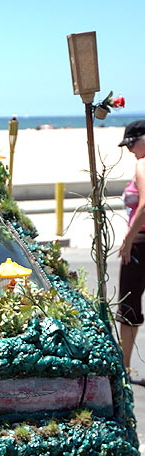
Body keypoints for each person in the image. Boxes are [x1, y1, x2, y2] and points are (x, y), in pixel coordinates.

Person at [117, 120, 145, 378]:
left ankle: (124, 366)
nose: (129, 150)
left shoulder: (142, 164)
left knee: (129, 303)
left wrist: (128, 238)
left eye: (131, 144)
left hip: (141, 240)